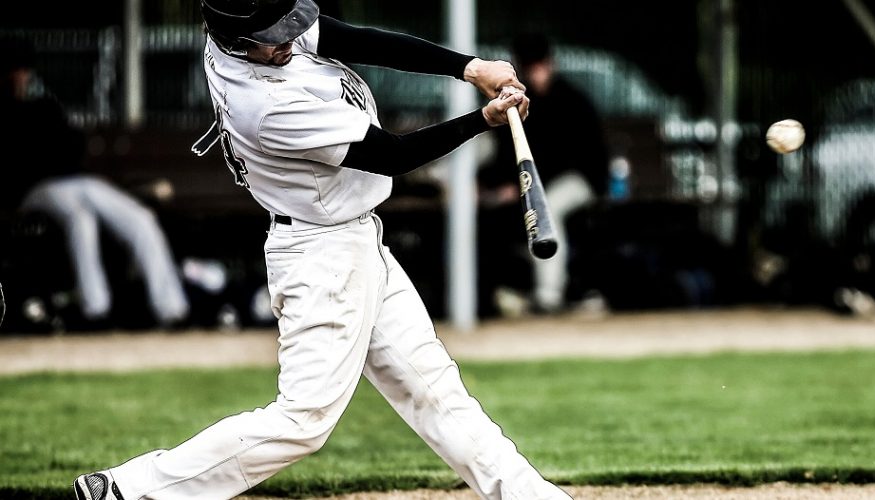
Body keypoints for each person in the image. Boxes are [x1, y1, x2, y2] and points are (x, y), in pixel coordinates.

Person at [72, 1, 568, 499]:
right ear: (237, 43)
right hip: (322, 257)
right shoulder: (265, 106)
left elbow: (356, 40)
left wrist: (469, 67)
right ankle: (128, 490)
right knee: (303, 420)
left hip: (355, 240)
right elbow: (390, 156)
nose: (289, 38)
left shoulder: (249, 37)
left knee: (436, 392)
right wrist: (482, 119)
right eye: (274, 35)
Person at [0, 35, 189, 328]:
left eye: (22, 70)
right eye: (14, 70)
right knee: (80, 218)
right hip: (35, 190)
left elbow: (72, 146)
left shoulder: (43, 107)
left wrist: (47, 149)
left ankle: (173, 310)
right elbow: (23, 163)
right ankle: (96, 310)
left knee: (140, 217)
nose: (20, 76)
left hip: (76, 181)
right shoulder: (6, 111)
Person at [479, 32, 611, 314]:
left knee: (546, 206)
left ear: (550, 64)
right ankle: (498, 291)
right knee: (499, 212)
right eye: (530, 68)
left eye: (541, 66)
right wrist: (501, 185)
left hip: (582, 180)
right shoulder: (516, 102)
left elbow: (578, 159)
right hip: (533, 181)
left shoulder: (572, 100)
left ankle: (548, 296)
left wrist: (519, 186)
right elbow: (507, 153)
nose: (537, 74)